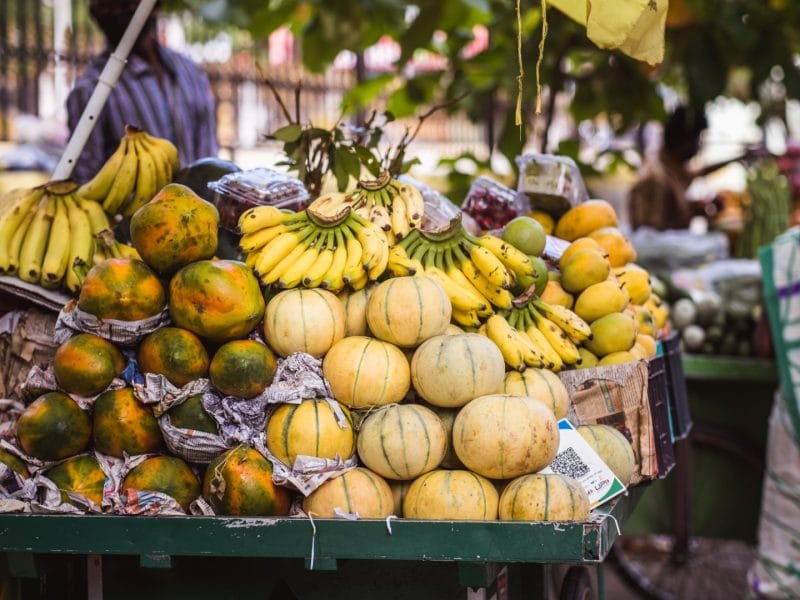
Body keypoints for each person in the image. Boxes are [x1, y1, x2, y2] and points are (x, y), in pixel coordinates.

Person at [66, 0, 218, 183]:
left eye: (126, 5)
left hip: (199, 199)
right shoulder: (91, 90)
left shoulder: (190, 72)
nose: (116, 12)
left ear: (155, 7)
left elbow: (208, 152)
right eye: (106, 7)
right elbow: (85, 176)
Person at [628, 105, 742, 231]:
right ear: (686, 141)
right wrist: (688, 213)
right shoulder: (655, 178)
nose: (699, 145)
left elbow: (699, 172)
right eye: (698, 138)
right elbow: (648, 233)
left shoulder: (672, 167)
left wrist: (738, 158)